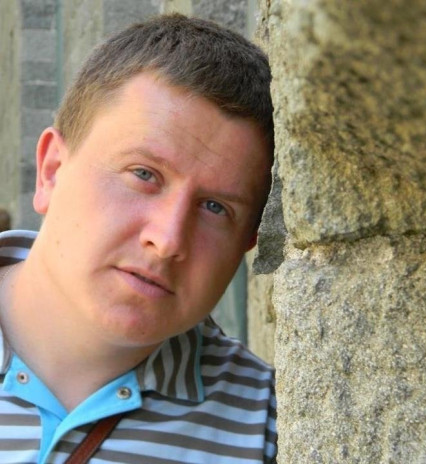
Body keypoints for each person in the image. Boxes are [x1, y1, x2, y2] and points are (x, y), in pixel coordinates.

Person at [0, 13, 276, 464]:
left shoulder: (274, 429)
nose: (167, 240)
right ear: (52, 171)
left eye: (215, 207)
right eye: (144, 174)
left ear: (247, 242)